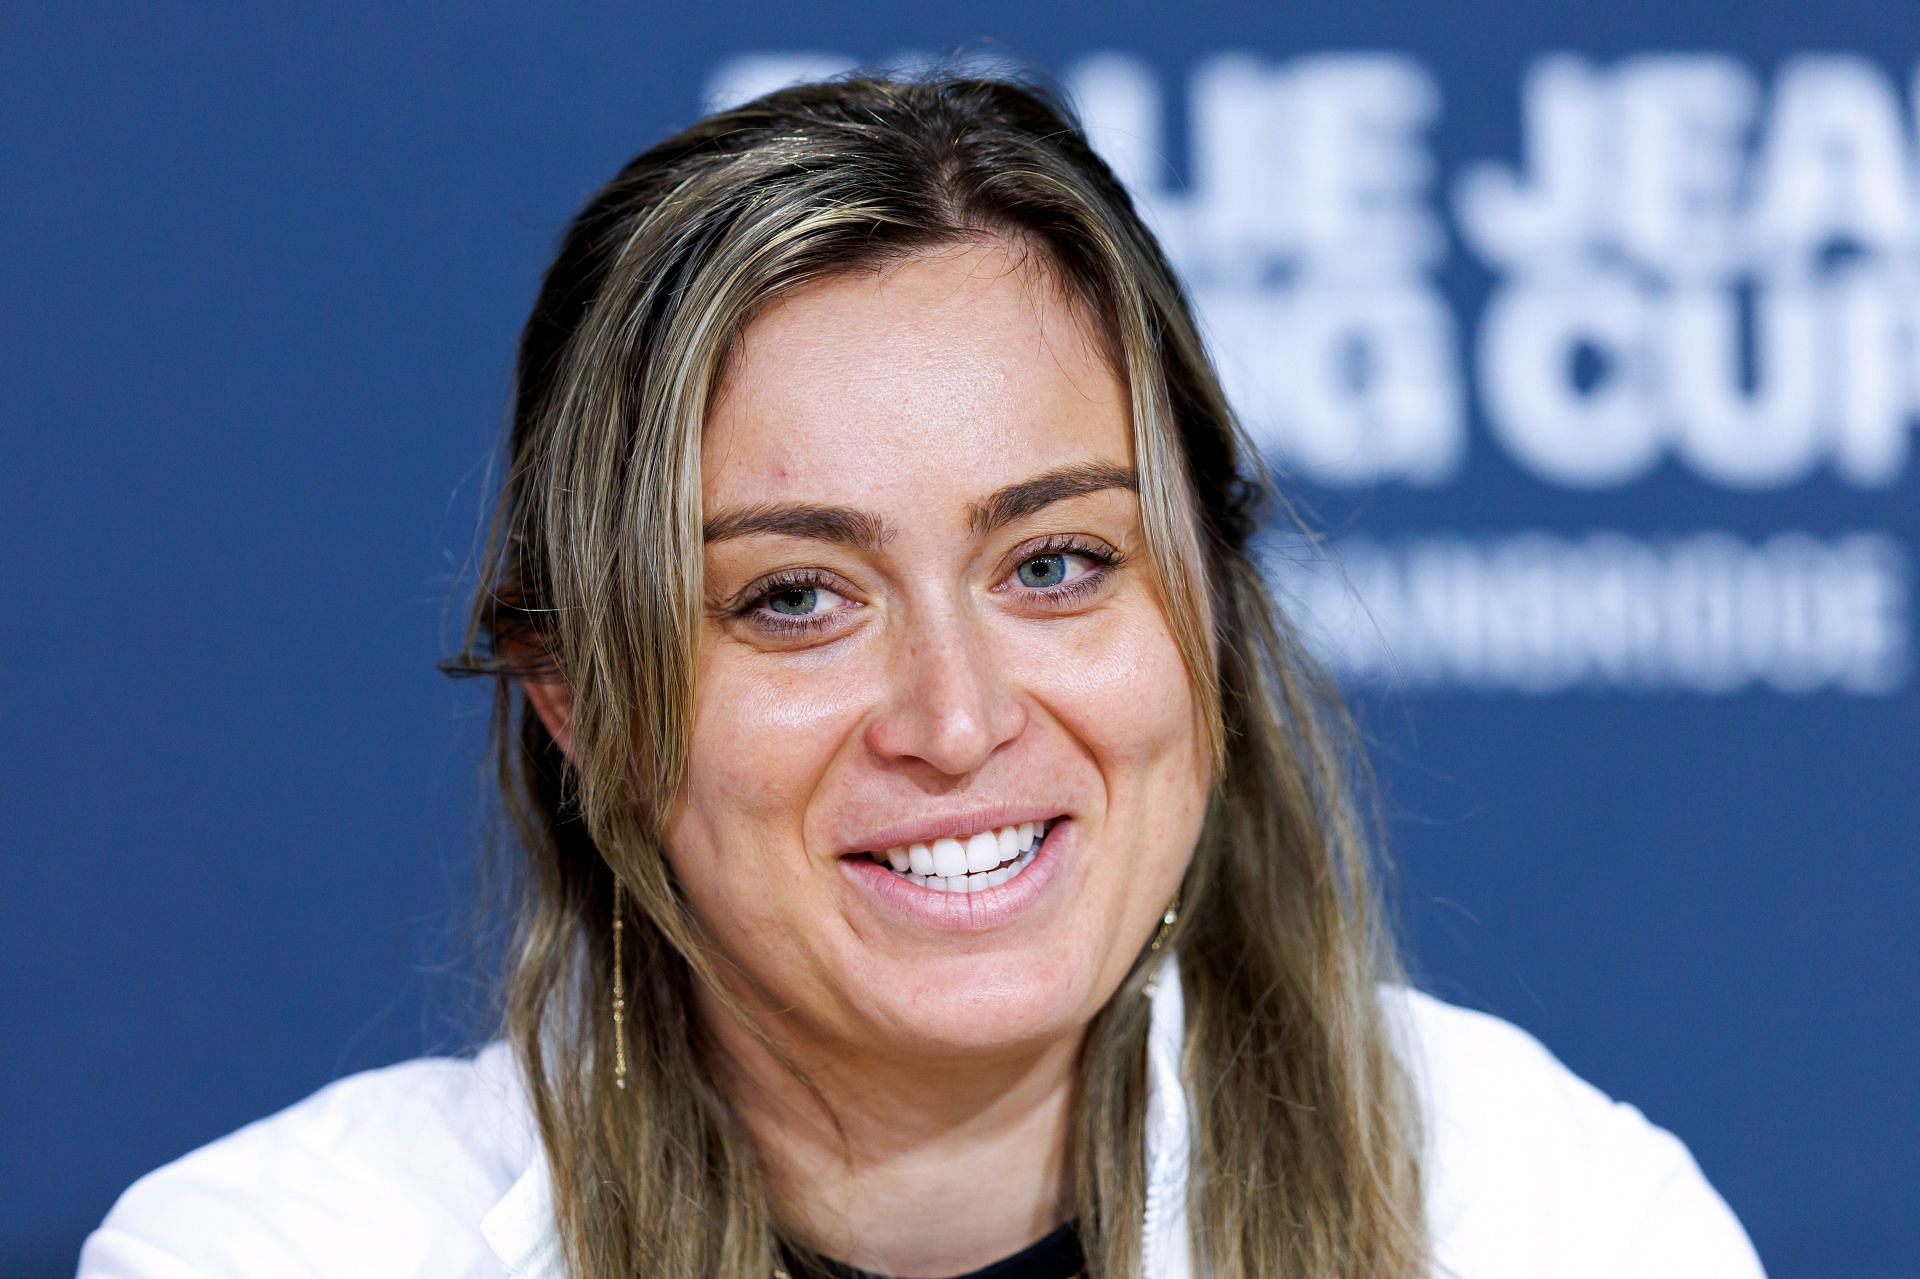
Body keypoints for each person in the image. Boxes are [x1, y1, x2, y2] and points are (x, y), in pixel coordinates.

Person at [77, 74, 1767, 1279]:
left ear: (1209, 620)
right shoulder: (275, 1254)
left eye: (1055, 564)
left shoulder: (1550, 1221)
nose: (956, 722)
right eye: (796, 597)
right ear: (578, 703)